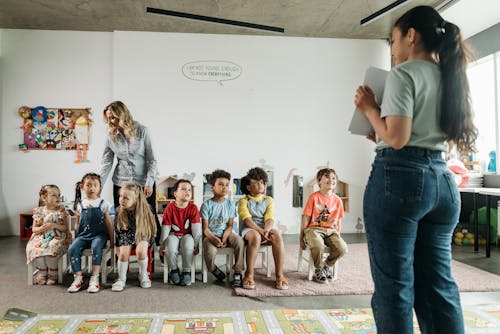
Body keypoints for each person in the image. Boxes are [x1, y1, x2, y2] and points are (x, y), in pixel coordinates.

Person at [354, 6, 477, 334]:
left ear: (411, 35)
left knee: (394, 288)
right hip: (442, 183)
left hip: (401, 181)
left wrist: (369, 109)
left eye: (394, 40)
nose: (393, 49)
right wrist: (379, 129)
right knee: (439, 287)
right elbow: (414, 134)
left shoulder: (403, 73)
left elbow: (397, 138)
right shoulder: (450, 75)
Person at [100, 101, 161, 245]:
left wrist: (149, 182)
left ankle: (158, 250)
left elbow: (152, 160)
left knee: (150, 216)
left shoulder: (142, 131)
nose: (110, 121)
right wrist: (99, 185)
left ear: (123, 115)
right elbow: (107, 162)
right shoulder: (111, 136)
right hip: (121, 182)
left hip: (143, 182)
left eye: (113, 117)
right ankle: (120, 252)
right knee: (122, 218)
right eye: (108, 118)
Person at [238, 167, 288, 290]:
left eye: (262, 182)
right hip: (249, 229)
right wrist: (259, 231)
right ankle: (249, 274)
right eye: (256, 183)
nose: (260, 185)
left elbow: (270, 218)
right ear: (249, 187)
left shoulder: (268, 200)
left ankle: (279, 275)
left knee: (276, 234)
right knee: (255, 236)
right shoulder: (243, 200)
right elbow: (246, 219)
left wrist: (266, 230)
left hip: (265, 228)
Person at [67, 173, 114, 293]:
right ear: (82, 187)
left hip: (99, 236)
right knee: (72, 249)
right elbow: (77, 223)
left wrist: (112, 239)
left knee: (96, 247)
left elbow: (109, 223)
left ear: (99, 188)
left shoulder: (103, 204)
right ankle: (78, 277)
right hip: (83, 235)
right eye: (88, 185)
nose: (92, 188)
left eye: (95, 185)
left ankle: (94, 277)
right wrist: (76, 238)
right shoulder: (80, 205)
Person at [300, 168, 347, 284]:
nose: (331, 180)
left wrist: (338, 237)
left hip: (331, 231)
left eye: (333, 178)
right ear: (319, 181)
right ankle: (319, 268)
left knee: (342, 248)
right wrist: (301, 237)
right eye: (327, 177)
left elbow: (339, 221)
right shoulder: (314, 197)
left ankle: (327, 265)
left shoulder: (338, 201)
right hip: (313, 229)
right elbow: (305, 217)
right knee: (317, 245)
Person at [201, 169, 245, 287]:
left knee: (239, 241)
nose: (224, 187)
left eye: (226, 185)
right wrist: (214, 239)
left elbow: (230, 225)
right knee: (210, 252)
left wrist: (225, 238)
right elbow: (205, 229)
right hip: (210, 235)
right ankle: (213, 269)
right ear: (212, 187)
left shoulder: (230, 204)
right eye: (220, 184)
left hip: (226, 233)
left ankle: (237, 271)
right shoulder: (206, 205)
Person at [111, 183, 157, 292]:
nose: (122, 200)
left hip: (143, 232)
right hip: (126, 232)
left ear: (136, 199)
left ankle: (143, 274)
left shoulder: (146, 209)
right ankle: (121, 278)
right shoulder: (119, 210)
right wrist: (117, 245)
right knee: (123, 254)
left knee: (141, 251)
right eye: (121, 196)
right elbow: (117, 229)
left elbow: (152, 225)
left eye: (126, 198)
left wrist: (156, 241)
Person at [26, 184, 71, 285]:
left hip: (58, 235)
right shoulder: (39, 211)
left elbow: (65, 228)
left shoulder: (61, 210)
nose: (58, 197)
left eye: (59, 195)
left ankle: (53, 272)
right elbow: (34, 229)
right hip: (42, 236)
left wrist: (54, 225)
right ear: (44, 198)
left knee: (52, 247)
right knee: (35, 249)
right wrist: (41, 228)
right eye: (54, 195)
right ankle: (42, 272)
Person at [160, 179, 202, 286]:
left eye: (189, 189)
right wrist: (162, 245)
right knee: (171, 246)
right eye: (183, 189)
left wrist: (197, 245)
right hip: (173, 235)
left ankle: (186, 271)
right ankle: (173, 270)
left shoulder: (193, 208)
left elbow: (196, 229)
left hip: (187, 235)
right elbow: (165, 228)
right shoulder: (170, 208)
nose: (187, 191)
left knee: (188, 245)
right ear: (175, 194)